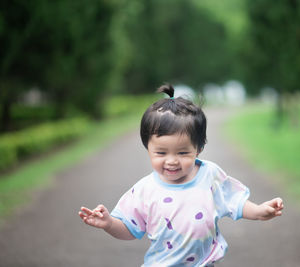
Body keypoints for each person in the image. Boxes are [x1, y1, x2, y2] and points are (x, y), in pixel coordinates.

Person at [78, 84, 284, 266]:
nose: (172, 161)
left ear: (199, 148)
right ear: (147, 148)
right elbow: (130, 228)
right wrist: (109, 224)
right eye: (161, 152)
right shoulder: (144, 190)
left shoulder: (209, 175)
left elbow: (234, 201)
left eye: (183, 153)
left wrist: (258, 211)